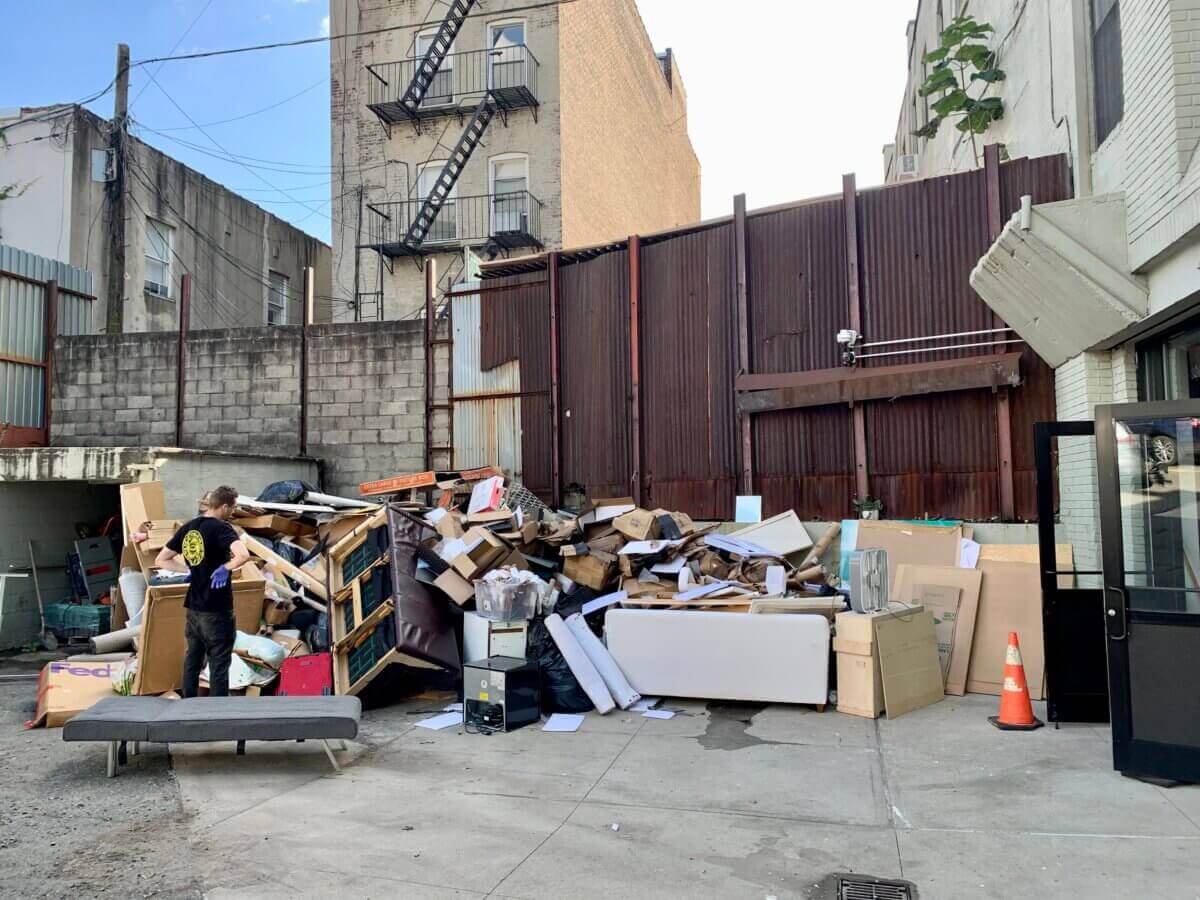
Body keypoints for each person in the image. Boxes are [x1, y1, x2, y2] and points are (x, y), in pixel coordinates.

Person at [155, 485, 250, 697]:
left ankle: (188, 706)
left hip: (193, 607)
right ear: (224, 506)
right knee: (219, 660)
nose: (233, 512)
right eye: (233, 507)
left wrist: (187, 569)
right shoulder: (222, 528)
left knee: (193, 658)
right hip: (216, 607)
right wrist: (225, 568)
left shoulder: (189, 528)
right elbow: (243, 555)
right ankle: (215, 712)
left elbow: (161, 559)